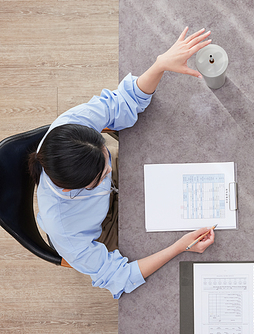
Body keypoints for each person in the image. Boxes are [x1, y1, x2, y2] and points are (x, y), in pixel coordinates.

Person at [28, 27, 215, 299]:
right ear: (73, 190)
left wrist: (159, 65)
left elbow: (123, 101)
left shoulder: (72, 125)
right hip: (100, 226)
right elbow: (119, 276)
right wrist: (181, 247)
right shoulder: (66, 231)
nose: (110, 170)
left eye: (106, 153)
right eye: (102, 173)